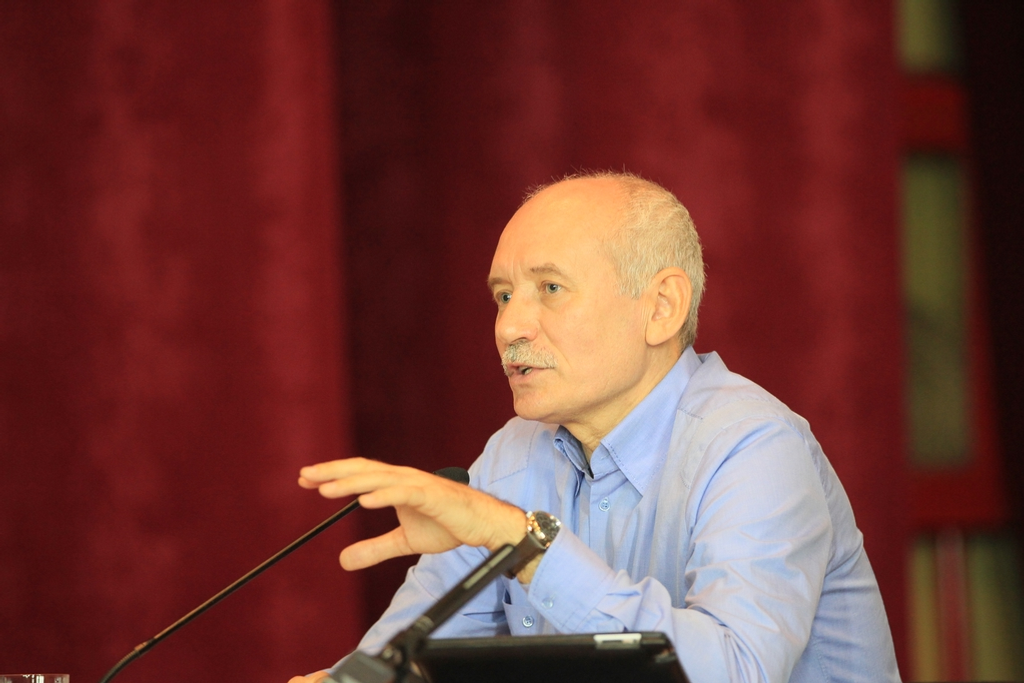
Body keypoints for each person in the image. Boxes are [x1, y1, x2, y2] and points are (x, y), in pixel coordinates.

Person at [289, 172, 901, 683]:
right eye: (503, 296)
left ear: (661, 307)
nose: (509, 327)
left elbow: (735, 671)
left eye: (550, 288)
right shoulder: (512, 455)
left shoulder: (754, 447)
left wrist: (521, 540)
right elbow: (405, 664)